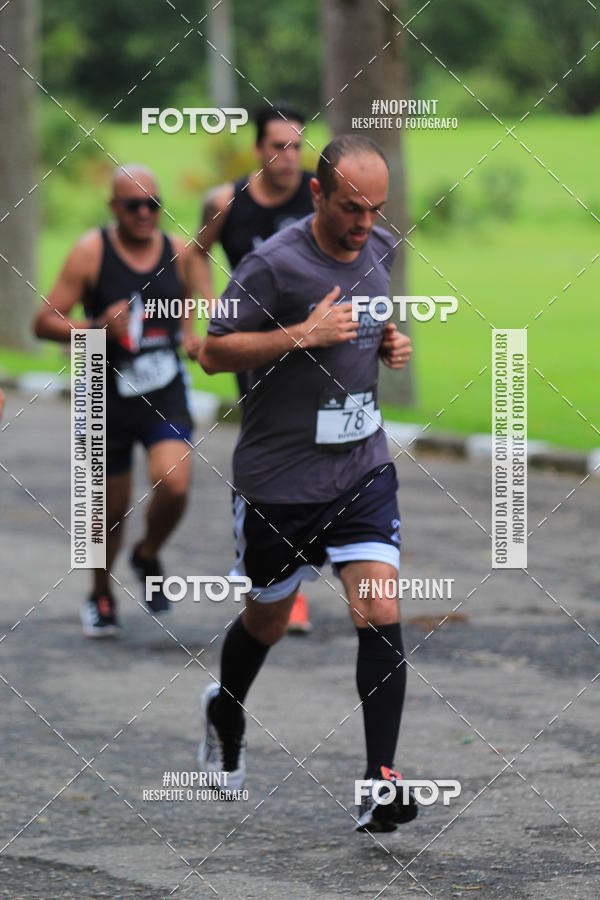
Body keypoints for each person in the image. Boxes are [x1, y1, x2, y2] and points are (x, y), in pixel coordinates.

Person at [197, 135, 417, 833]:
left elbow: (374, 316)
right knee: (267, 621)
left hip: (361, 470)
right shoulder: (273, 264)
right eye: (352, 207)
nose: (365, 223)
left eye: (376, 208)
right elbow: (211, 351)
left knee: (379, 611)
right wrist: (302, 333)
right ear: (319, 194)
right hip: (279, 485)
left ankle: (380, 780)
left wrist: (388, 341)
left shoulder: (380, 246)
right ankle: (225, 709)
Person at [34, 165, 201, 637]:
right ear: (114, 208)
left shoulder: (177, 251)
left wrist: (187, 336)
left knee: (176, 484)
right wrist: (94, 330)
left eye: (154, 204)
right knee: (109, 507)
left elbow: (186, 299)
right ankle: (101, 593)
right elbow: (43, 321)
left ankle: (146, 554)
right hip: (102, 388)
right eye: (134, 205)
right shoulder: (92, 251)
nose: (145, 213)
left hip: (163, 386)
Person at [193, 102, 316, 634]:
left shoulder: (319, 194)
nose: (288, 158)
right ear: (257, 149)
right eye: (278, 147)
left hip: (315, 347)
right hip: (252, 347)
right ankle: (273, 576)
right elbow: (195, 253)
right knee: (270, 455)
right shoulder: (227, 202)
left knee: (317, 454)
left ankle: (297, 579)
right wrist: (209, 312)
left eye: (297, 146)